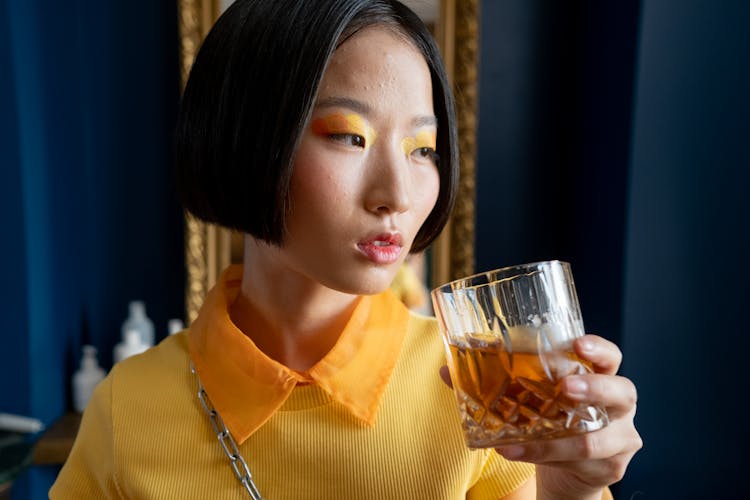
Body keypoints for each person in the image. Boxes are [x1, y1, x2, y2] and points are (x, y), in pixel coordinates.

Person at [50, 0, 641, 498]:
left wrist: (573, 491)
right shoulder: (127, 409)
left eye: (422, 149)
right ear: (245, 139)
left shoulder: (485, 391)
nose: (398, 195)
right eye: (348, 136)